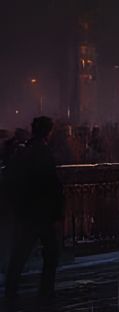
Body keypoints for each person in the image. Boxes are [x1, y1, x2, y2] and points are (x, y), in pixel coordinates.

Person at [4, 116, 64, 302]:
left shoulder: (24, 152)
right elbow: (51, 184)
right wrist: (57, 208)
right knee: (51, 253)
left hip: (27, 211)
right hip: (42, 212)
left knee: (20, 253)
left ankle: (11, 289)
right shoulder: (44, 153)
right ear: (48, 132)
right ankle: (46, 291)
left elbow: (10, 178)